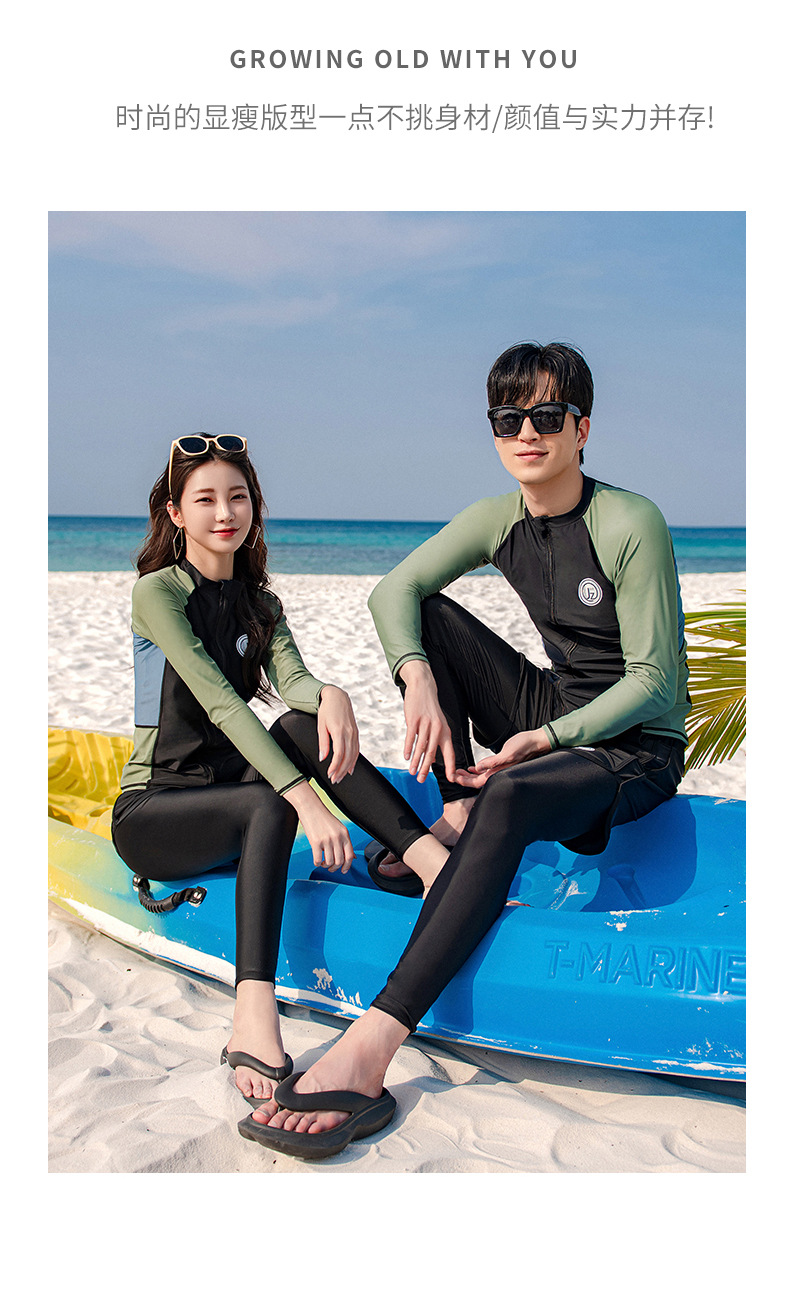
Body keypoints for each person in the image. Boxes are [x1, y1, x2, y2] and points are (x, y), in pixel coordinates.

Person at [247, 340, 689, 1161]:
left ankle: (373, 1044)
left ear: (583, 428)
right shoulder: (498, 518)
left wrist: (545, 740)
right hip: (556, 708)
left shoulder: (631, 522)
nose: (527, 433)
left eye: (547, 416)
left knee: (513, 794)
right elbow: (394, 590)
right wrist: (414, 674)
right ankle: (455, 815)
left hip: (633, 747)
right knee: (429, 616)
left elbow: (656, 683)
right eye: (508, 418)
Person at [110, 434, 449, 1133]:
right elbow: (221, 702)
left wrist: (332, 695)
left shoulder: (260, 604)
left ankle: (432, 864)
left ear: (254, 507)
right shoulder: (158, 593)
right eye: (205, 499)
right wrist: (305, 802)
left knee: (301, 724)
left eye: (237, 497)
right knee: (268, 800)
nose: (224, 513)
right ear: (175, 512)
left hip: (231, 791)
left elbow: (293, 688)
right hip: (156, 810)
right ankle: (252, 1015)